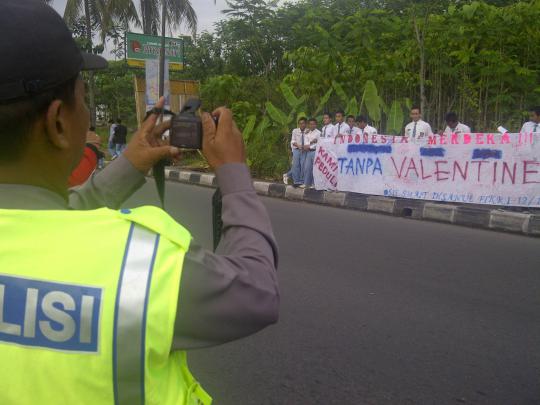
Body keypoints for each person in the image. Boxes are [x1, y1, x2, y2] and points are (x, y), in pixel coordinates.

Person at [0, 2, 279, 404]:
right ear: (58, 122)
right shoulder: (134, 267)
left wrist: (127, 165)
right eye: (82, 99)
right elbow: (256, 291)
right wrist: (234, 174)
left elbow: (43, 223)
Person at [288, 117, 308, 187]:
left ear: (306, 124)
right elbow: (293, 141)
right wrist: (298, 146)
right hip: (296, 149)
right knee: (295, 166)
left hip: (305, 150)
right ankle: (296, 181)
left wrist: (305, 147)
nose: (301, 125)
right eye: (300, 123)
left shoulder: (308, 131)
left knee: (303, 166)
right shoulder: (295, 131)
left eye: (303, 123)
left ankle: (302, 181)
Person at [301, 118, 321, 189]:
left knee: (314, 169)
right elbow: (306, 143)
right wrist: (312, 142)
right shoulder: (307, 133)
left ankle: (314, 183)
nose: (312, 125)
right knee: (307, 168)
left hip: (315, 151)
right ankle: (306, 183)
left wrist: (309, 144)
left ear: (316, 125)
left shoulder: (319, 133)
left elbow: (318, 143)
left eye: (313, 124)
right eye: (310, 124)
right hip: (308, 152)